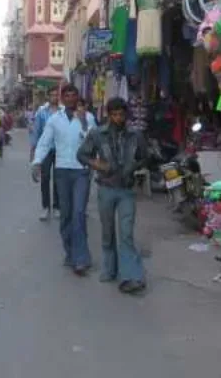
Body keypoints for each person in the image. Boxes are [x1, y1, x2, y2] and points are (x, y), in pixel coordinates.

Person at [78, 97, 146, 294]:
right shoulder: (98, 134)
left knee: (126, 234)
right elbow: (81, 154)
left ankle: (130, 276)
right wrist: (97, 164)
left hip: (126, 190)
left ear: (126, 115)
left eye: (121, 114)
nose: (118, 118)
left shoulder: (135, 135)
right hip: (106, 188)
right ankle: (110, 269)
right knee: (108, 232)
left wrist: (134, 166)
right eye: (114, 114)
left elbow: (144, 157)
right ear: (109, 115)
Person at [31, 85, 93, 275]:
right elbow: (45, 142)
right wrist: (37, 162)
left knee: (79, 213)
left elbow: (93, 141)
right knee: (66, 215)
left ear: (77, 98)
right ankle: (70, 252)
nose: (70, 98)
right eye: (66, 95)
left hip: (82, 171)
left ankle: (81, 258)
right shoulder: (54, 120)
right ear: (62, 99)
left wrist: (83, 123)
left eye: (73, 95)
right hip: (62, 171)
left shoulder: (88, 117)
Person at [30, 88, 62, 221]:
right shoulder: (42, 112)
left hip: (60, 149)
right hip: (45, 149)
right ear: (48, 97)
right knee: (45, 177)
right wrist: (33, 150)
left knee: (58, 179)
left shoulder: (63, 111)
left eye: (56, 95)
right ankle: (45, 207)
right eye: (52, 95)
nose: (54, 97)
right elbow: (36, 131)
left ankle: (56, 207)